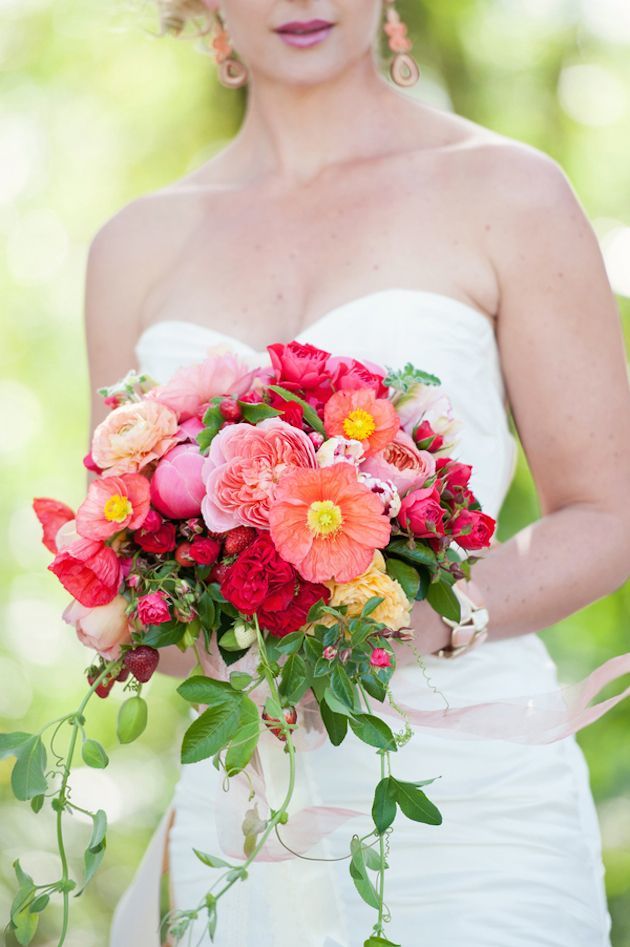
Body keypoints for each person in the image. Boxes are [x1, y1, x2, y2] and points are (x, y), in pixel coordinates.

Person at [81, 2, 630, 945]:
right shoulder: (133, 247)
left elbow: (608, 513)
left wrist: (401, 622)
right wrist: (184, 630)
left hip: (475, 802)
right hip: (247, 802)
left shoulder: (508, 192)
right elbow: (120, 561)